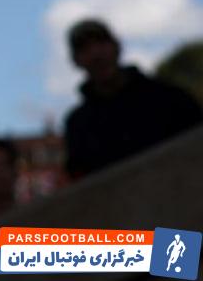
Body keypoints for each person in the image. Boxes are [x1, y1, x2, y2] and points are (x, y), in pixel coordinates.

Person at [64, 19, 202, 179]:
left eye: (101, 42)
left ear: (117, 46)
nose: (96, 54)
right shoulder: (78, 125)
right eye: (84, 48)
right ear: (76, 60)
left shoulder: (169, 99)